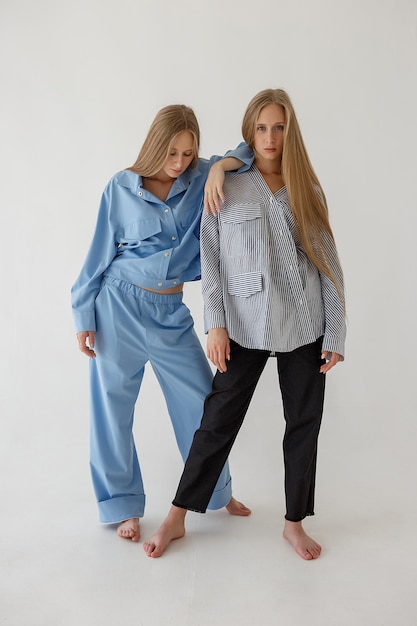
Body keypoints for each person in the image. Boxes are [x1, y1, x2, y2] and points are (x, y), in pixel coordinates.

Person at [143, 89, 346, 560]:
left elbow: (329, 265)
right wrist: (215, 324)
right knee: (216, 421)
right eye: (261, 127)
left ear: (289, 131)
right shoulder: (227, 185)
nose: (270, 137)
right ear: (248, 130)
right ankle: (177, 515)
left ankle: (294, 522)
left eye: (278, 127)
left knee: (303, 424)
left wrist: (334, 331)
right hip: (243, 325)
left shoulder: (308, 190)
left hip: (304, 324)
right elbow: (211, 260)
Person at [71, 104, 253, 542]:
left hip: (171, 311)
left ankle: (214, 492)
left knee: (201, 404)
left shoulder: (202, 176)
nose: (179, 163)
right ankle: (123, 506)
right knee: (112, 410)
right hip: (117, 306)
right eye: (172, 153)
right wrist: (83, 314)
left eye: (189, 154)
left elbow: (249, 151)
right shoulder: (121, 187)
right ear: (156, 145)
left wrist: (218, 168)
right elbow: (99, 253)